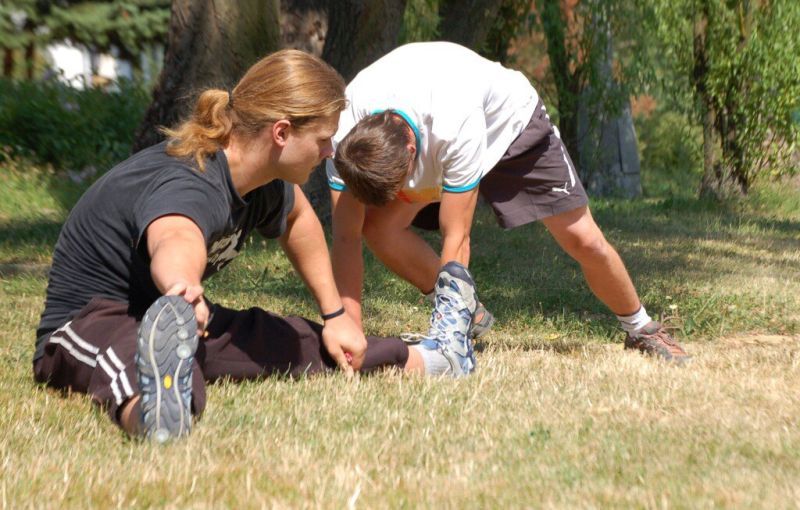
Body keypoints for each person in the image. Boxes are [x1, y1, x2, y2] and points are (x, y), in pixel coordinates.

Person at [32, 49, 478, 444]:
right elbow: (175, 235)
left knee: (299, 343)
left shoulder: (264, 180)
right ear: (281, 132)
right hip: (92, 320)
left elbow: (298, 220)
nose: (330, 151)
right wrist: (183, 289)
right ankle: (151, 418)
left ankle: (425, 360)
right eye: (323, 139)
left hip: (181, 319)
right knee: (140, 359)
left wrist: (335, 315)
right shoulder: (193, 178)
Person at [327, 41, 689, 364]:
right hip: (434, 135)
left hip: (509, 127)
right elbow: (345, 237)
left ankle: (641, 328)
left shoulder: (452, 121)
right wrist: (350, 331)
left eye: (399, 186)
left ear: (410, 152)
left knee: (583, 239)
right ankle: (468, 311)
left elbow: (457, 237)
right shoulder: (345, 134)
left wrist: (448, 341)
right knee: (379, 227)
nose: (400, 195)